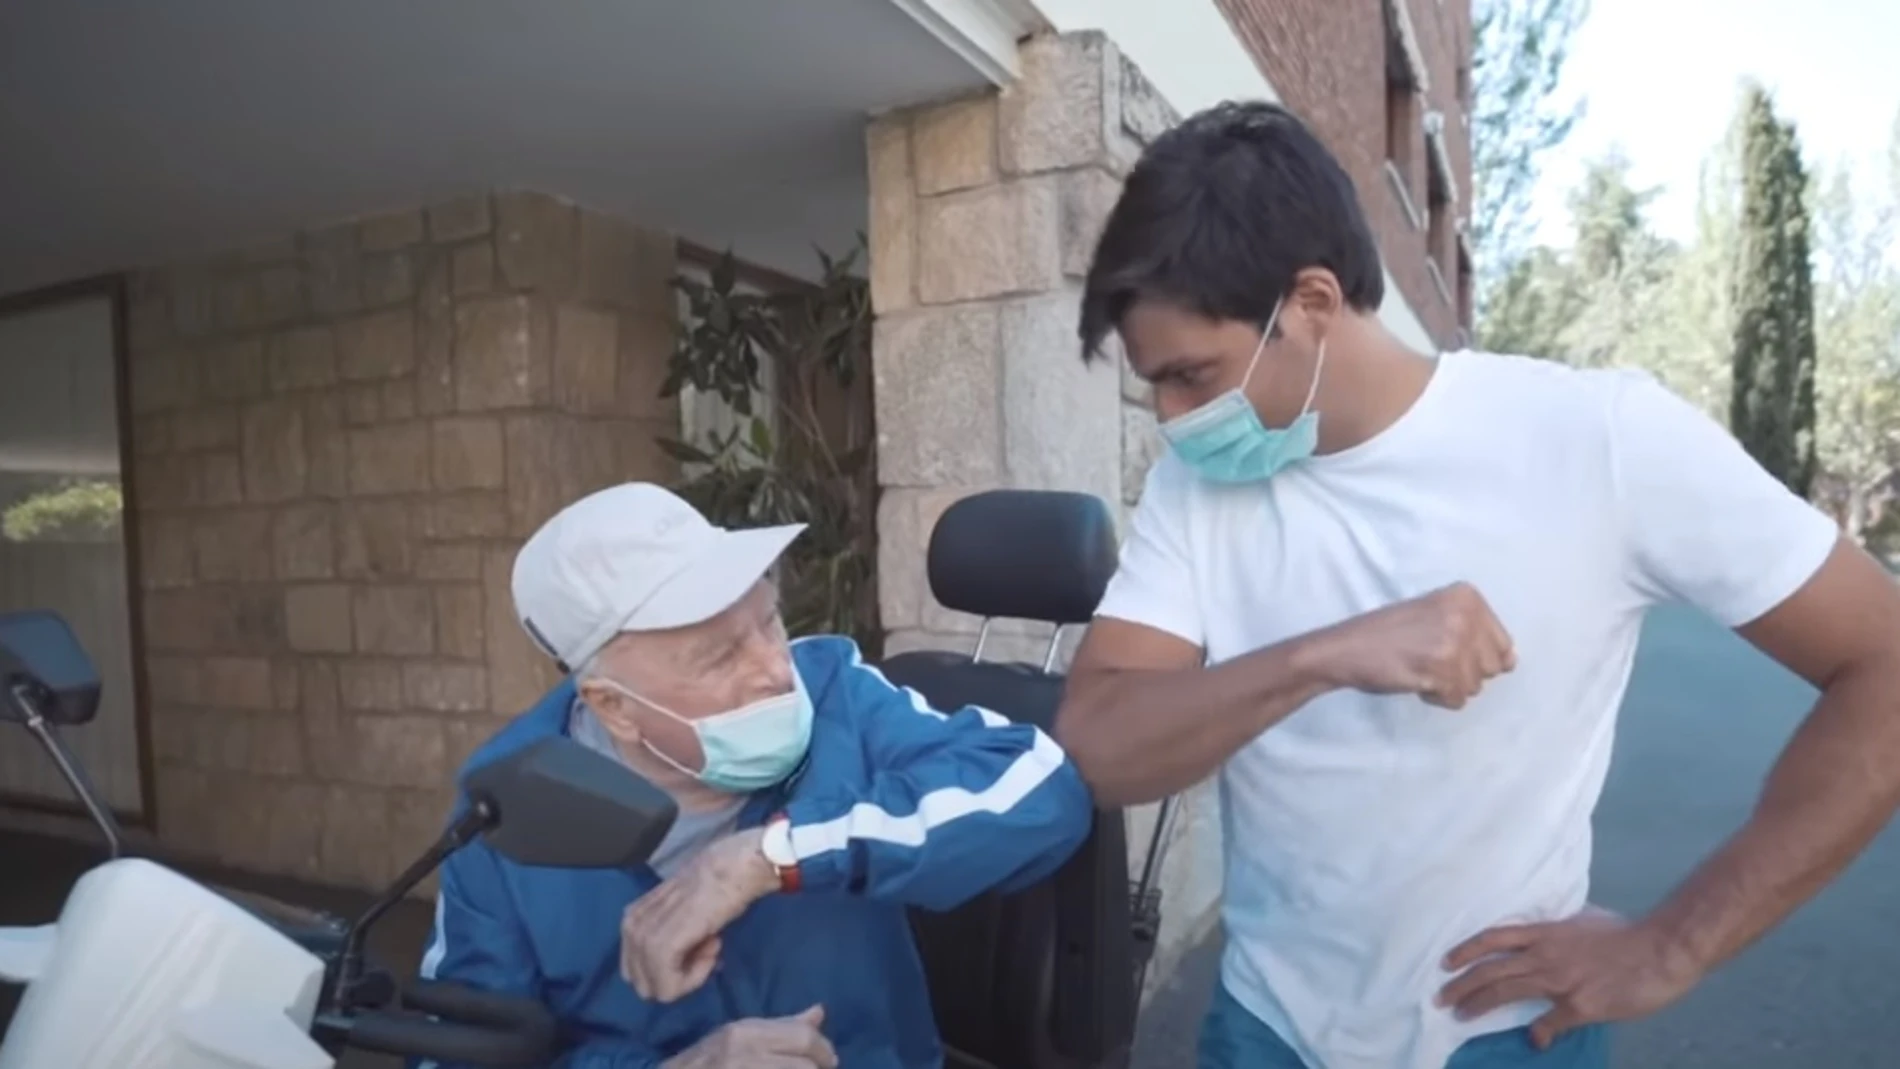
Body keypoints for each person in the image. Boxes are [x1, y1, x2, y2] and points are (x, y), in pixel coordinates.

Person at [1055, 99, 1900, 1069]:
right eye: (1155, 384)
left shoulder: (1598, 439)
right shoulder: (1197, 486)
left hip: (1503, 1038)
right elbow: (1100, 745)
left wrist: (1675, 943)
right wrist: (1322, 656)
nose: (1171, 418)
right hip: (1263, 1029)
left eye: (1193, 377)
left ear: (1313, 305)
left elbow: (1880, 658)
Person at [415, 482, 1095, 1069]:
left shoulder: (837, 695)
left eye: (769, 620)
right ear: (613, 707)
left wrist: (775, 856)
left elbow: (1044, 788)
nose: (774, 666)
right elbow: (460, 1053)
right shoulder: (505, 814)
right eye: (719, 655)